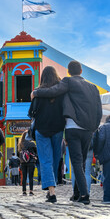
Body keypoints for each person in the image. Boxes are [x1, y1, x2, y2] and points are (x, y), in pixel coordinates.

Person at [31, 61, 102, 204]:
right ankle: (76, 194)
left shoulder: (67, 82)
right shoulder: (93, 87)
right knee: (80, 162)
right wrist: (94, 127)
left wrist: (36, 92)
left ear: (68, 72)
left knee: (75, 161)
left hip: (71, 127)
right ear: (81, 71)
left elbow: (52, 92)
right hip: (86, 129)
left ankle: (83, 195)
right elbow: (98, 110)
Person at [29, 66, 65, 202]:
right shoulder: (61, 92)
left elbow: (31, 112)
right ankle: (51, 190)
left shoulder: (38, 92)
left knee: (45, 160)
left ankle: (52, 191)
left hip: (42, 129)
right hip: (58, 128)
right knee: (56, 159)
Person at [93, 115, 110, 203]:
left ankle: (107, 198)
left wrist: (98, 153)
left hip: (107, 156)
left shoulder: (104, 127)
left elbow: (101, 139)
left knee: (107, 177)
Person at [18, 130, 37, 195]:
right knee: (31, 177)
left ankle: (24, 191)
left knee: (24, 177)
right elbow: (36, 152)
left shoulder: (21, 143)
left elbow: (19, 152)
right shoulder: (32, 143)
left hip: (23, 162)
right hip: (31, 161)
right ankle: (31, 191)